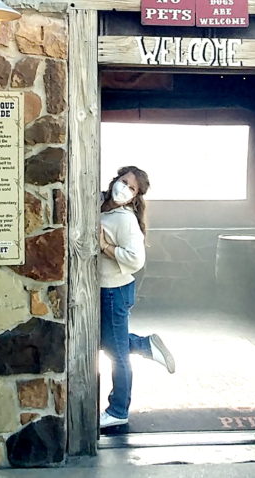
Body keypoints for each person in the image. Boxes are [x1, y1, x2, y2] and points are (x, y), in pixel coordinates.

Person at [99, 165, 176, 429]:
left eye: (132, 188)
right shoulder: (101, 205)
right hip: (106, 288)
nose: (125, 188)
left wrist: (105, 247)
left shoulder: (125, 219)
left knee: (117, 353)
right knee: (102, 341)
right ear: (115, 180)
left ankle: (119, 410)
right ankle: (145, 346)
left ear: (135, 196)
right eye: (123, 181)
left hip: (114, 291)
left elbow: (136, 260)